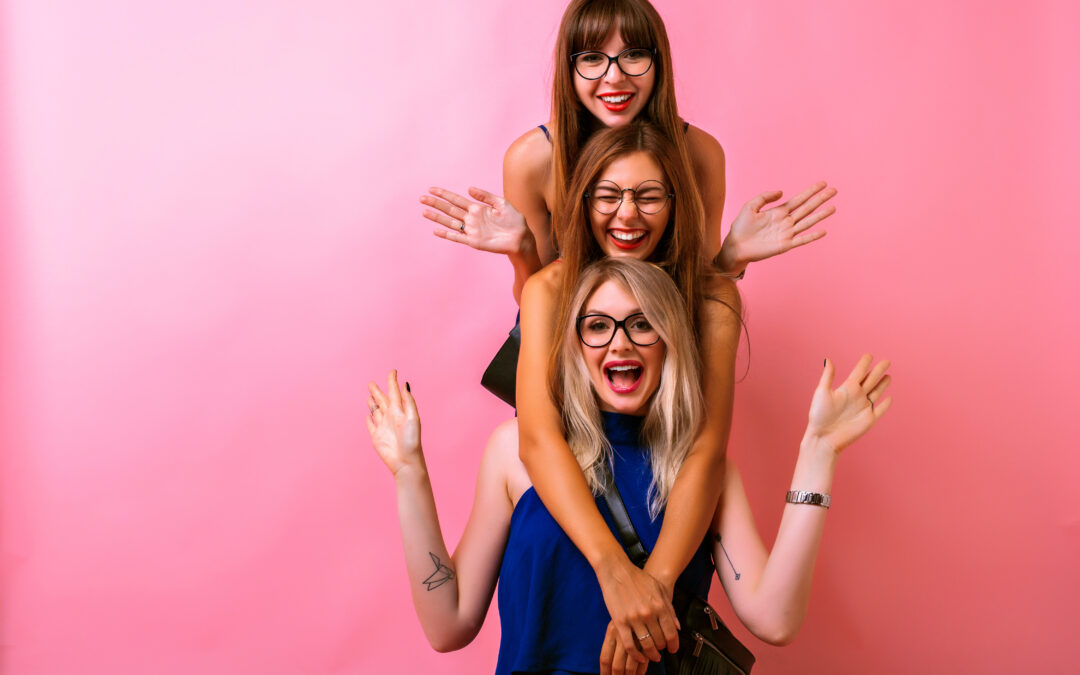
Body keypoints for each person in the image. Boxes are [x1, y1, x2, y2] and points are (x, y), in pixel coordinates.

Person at [367, 257, 892, 674]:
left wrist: (818, 454)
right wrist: (409, 471)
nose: (619, 341)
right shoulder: (514, 453)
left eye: (643, 323)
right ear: (575, 346)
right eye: (597, 325)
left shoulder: (701, 470)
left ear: (670, 344)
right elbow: (448, 624)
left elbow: (774, 619)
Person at [419, 0, 836, 303]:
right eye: (592, 58)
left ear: (659, 62)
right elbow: (534, 303)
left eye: (634, 54)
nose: (614, 77)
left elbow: (703, 290)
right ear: (569, 67)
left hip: (665, 352)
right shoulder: (533, 158)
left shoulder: (700, 153)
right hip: (560, 349)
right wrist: (522, 251)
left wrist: (731, 257)